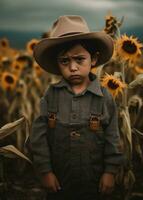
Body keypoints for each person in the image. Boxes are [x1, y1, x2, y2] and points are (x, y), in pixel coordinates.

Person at [30, 15, 123, 200]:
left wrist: (110, 172)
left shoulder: (105, 98)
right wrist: (45, 171)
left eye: (79, 59)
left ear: (94, 59)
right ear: (58, 63)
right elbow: (38, 137)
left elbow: (113, 138)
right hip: (59, 182)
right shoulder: (51, 95)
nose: (72, 67)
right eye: (64, 61)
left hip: (94, 183)